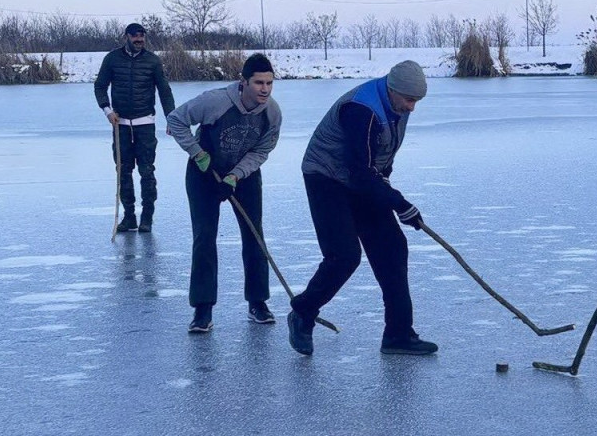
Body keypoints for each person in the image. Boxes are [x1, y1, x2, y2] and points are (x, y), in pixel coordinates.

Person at [287, 60, 437, 356]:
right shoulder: (361, 109)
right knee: (344, 256)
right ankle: (303, 312)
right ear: (393, 90)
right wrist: (398, 203)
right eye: (409, 100)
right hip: (326, 177)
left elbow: (379, 158)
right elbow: (358, 169)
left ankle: (398, 334)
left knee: (392, 247)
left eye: (417, 101)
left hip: (362, 177)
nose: (412, 108)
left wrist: (388, 193)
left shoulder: (398, 105)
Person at [166, 53, 281, 333]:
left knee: (254, 236)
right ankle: (202, 309)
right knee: (205, 238)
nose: (264, 89)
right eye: (258, 83)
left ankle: (258, 303)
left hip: (244, 176)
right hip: (204, 174)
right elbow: (176, 119)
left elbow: (262, 149)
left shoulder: (272, 112)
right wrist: (198, 154)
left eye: (269, 83)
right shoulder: (214, 101)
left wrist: (234, 176)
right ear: (243, 82)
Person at [94, 22, 176, 233]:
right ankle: (129, 216)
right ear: (126, 37)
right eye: (135, 36)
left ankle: (147, 217)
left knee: (147, 171)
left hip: (145, 124)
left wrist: (171, 118)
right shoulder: (112, 59)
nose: (139, 40)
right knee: (123, 171)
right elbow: (100, 86)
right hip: (120, 124)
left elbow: (164, 91)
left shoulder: (153, 61)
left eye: (142, 36)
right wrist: (107, 111)